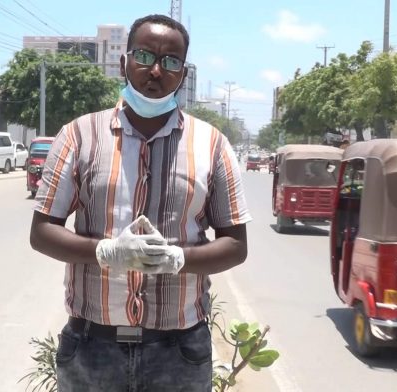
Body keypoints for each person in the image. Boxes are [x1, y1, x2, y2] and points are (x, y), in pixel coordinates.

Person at [30, 14, 251, 392]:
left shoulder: (212, 145)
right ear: (123, 62)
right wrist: (107, 251)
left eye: (170, 61)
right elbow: (42, 233)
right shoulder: (79, 136)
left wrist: (178, 259)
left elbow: (236, 244)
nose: (155, 70)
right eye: (145, 56)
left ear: (183, 73)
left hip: (179, 353)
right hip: (91, 349)